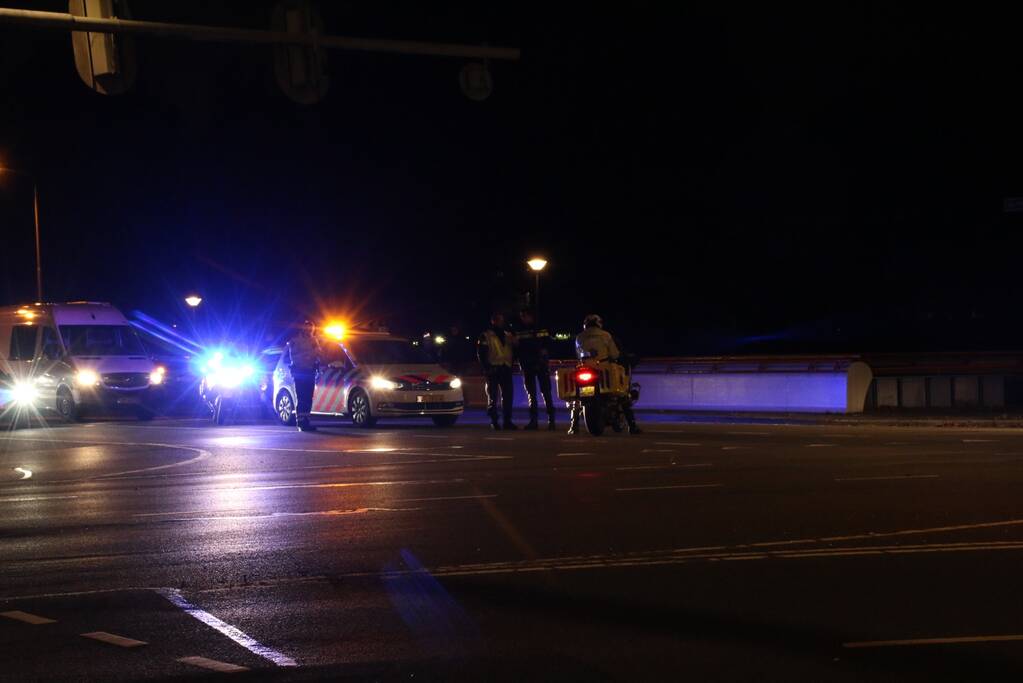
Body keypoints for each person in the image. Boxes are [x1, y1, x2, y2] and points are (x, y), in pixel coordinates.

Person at [570, 313, 641, 435]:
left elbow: (578, 354)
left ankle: (573, 426)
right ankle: (632, 425)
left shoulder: (579, 337)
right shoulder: (606, 335)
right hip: (603, 369)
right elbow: (614, 354)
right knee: (622, 394)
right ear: (599, 324)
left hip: (585, 368)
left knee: (577, 397)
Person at [516, 308, 556, 430]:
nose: (522, 318)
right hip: (529, 366)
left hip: (539, 364)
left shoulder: (540, 328)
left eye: (524, 315)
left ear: (530, 316)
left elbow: (547, 344)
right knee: (532, 394)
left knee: (545, 393)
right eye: (521, 316)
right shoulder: (520, 330)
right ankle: (534, 421)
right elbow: (518, 349)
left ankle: (550, 421)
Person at [477, 311, 516, 430]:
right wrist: (487, 368)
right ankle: (494, 421)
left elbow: (513, 350)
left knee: (508, 396)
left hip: (506, 367)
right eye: (498, 320)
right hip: (493, 368)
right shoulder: (486, 335)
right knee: (493, 397)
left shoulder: (507, 335)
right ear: (493, 321)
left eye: (502, 320)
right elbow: (481, 353)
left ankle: (507, 421)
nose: (501, 322)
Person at [287, 320, 322, 432]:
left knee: (308, 398)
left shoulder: (313, 340)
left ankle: (306, 420)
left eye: (311, 329)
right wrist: (310, 354)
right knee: (302, 398)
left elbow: (319, 353)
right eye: (307, 328)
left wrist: (313, 355)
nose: (309, 331)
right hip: (300, 372)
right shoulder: (295, 340)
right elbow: (296, 357)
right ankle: (301, 422)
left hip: (309, 371)